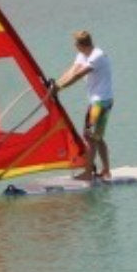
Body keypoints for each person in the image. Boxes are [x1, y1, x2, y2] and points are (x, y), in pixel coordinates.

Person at [52, 29, 113, 181]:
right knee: (97, 137)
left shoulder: (96, 56)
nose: (74, 46)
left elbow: (79, 75)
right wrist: (57, 84)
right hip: (102, 100)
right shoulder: (83, 54)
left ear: (80, 45)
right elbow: (73, 70)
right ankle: (106, 170)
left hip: (100, 103)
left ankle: (88, 174)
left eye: (75, 43)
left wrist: (60, 88)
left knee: (89, 136)